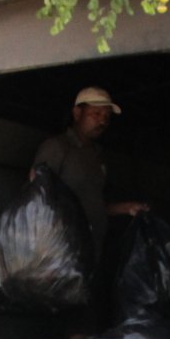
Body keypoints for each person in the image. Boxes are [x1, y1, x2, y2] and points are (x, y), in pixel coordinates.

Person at [32, 87, 149, 260]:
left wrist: (126, 208)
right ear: (77, 113)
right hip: (60, 252)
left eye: (107, 117)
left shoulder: (97, 156)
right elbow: (36, 195)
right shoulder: (57, 147)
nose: (102, 121)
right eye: (96, 114)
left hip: (91, 250)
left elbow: (93, 204)